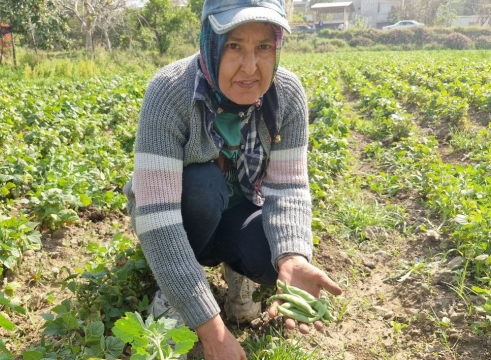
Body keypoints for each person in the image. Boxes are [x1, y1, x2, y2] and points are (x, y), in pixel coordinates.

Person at [123, 0, 342, 358]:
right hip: (181, 212)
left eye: (264, 47)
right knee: (204, 186)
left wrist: (292, 256)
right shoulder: (168, 91)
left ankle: (237, 272)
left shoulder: (286, 95)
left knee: (274, 256)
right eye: (234, 46)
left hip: (241, 205)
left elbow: (288, 188)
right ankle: (177, 293)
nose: (250, 67)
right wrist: (210, 328)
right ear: (210, 42)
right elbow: (158, 217)